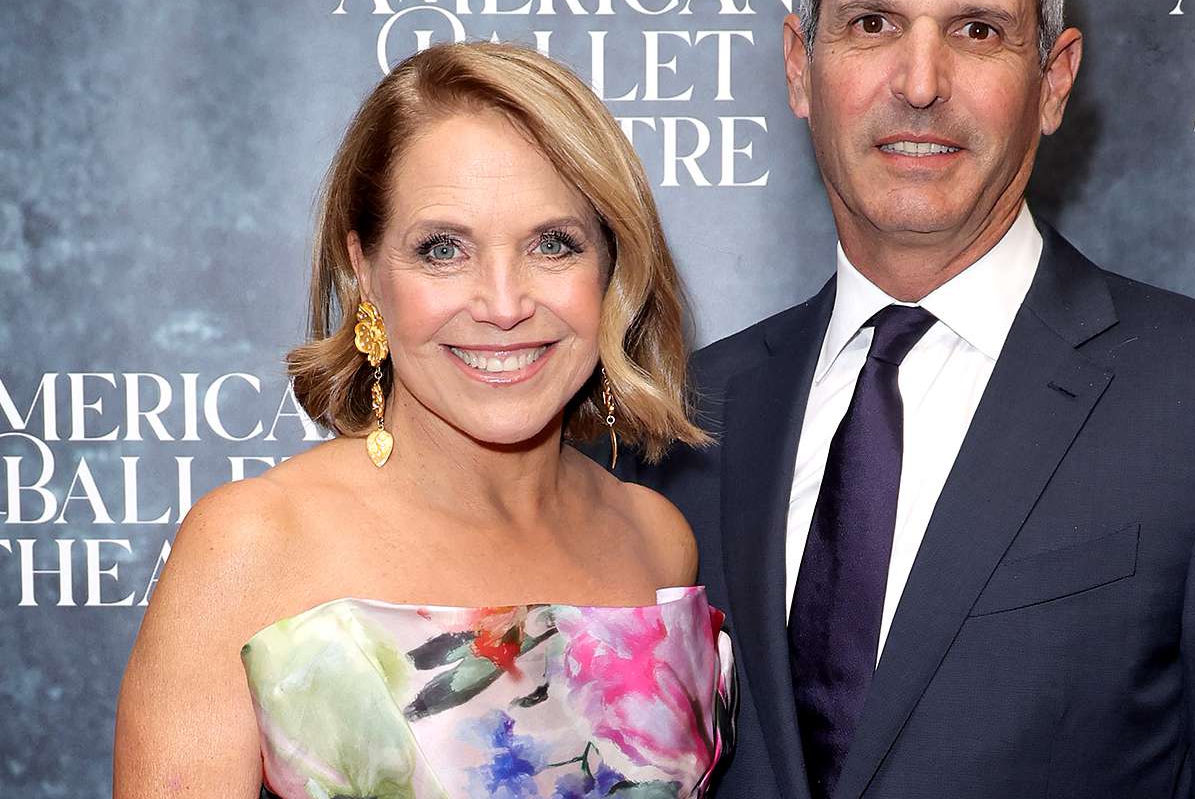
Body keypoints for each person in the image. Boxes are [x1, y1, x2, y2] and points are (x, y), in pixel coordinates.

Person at [619, 0, 1195, 799]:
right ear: (801, 67)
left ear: (1053, 80)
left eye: (977, 30)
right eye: (873, 22)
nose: (920, 82)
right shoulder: (675, 420)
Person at [114, 42, 735, 798]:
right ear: (365, 272)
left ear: (611, 270)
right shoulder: (252, 546)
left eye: (553, 244)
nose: (503, 304)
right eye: (443, 250)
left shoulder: (655, 539)